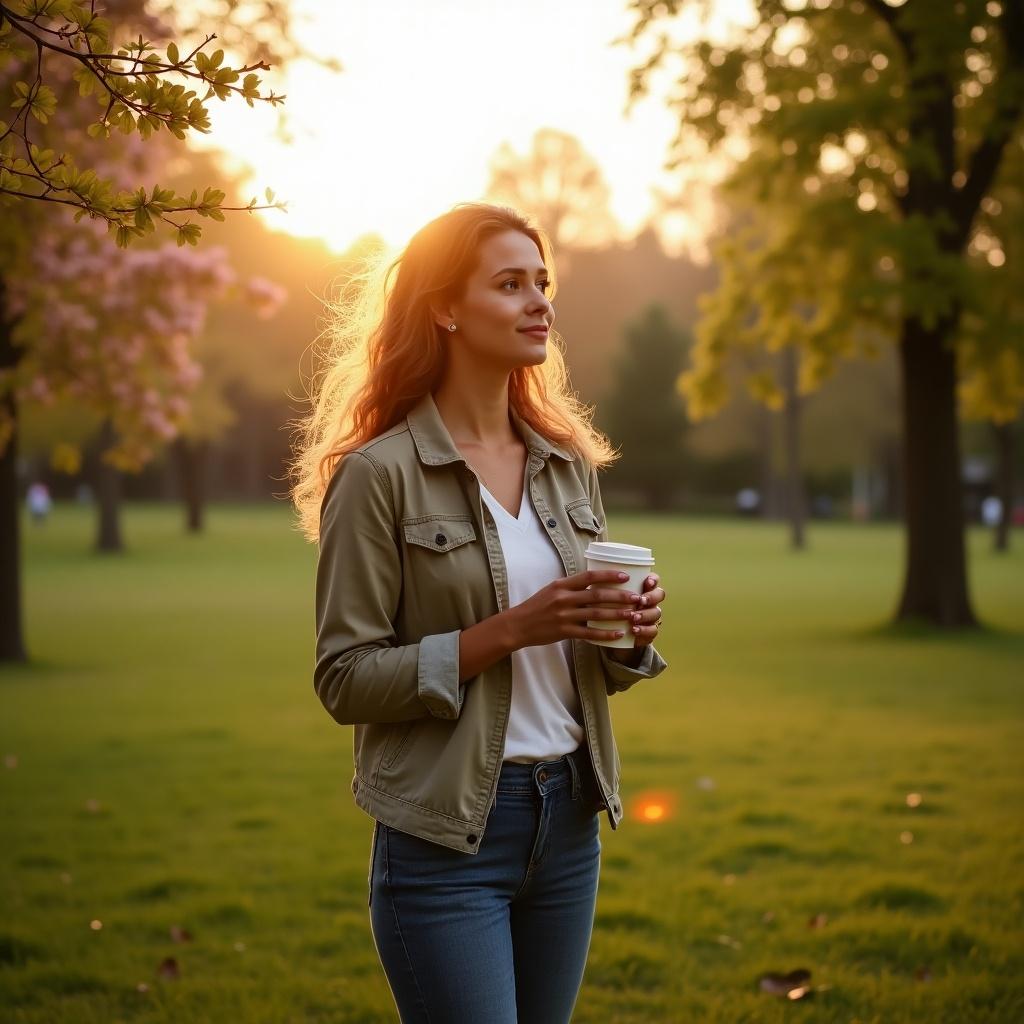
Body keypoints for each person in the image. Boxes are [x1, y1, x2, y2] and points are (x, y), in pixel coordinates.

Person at [290, 203, 669, 1024]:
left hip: (568, 822)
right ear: (446, 307)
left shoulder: (567, 465)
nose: (541, 303)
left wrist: (630, 636)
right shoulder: (378, 475)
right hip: (446, 838)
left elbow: (586, 662)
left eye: (543, 283)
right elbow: (344, 679)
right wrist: (509, 631)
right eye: (510, 284)